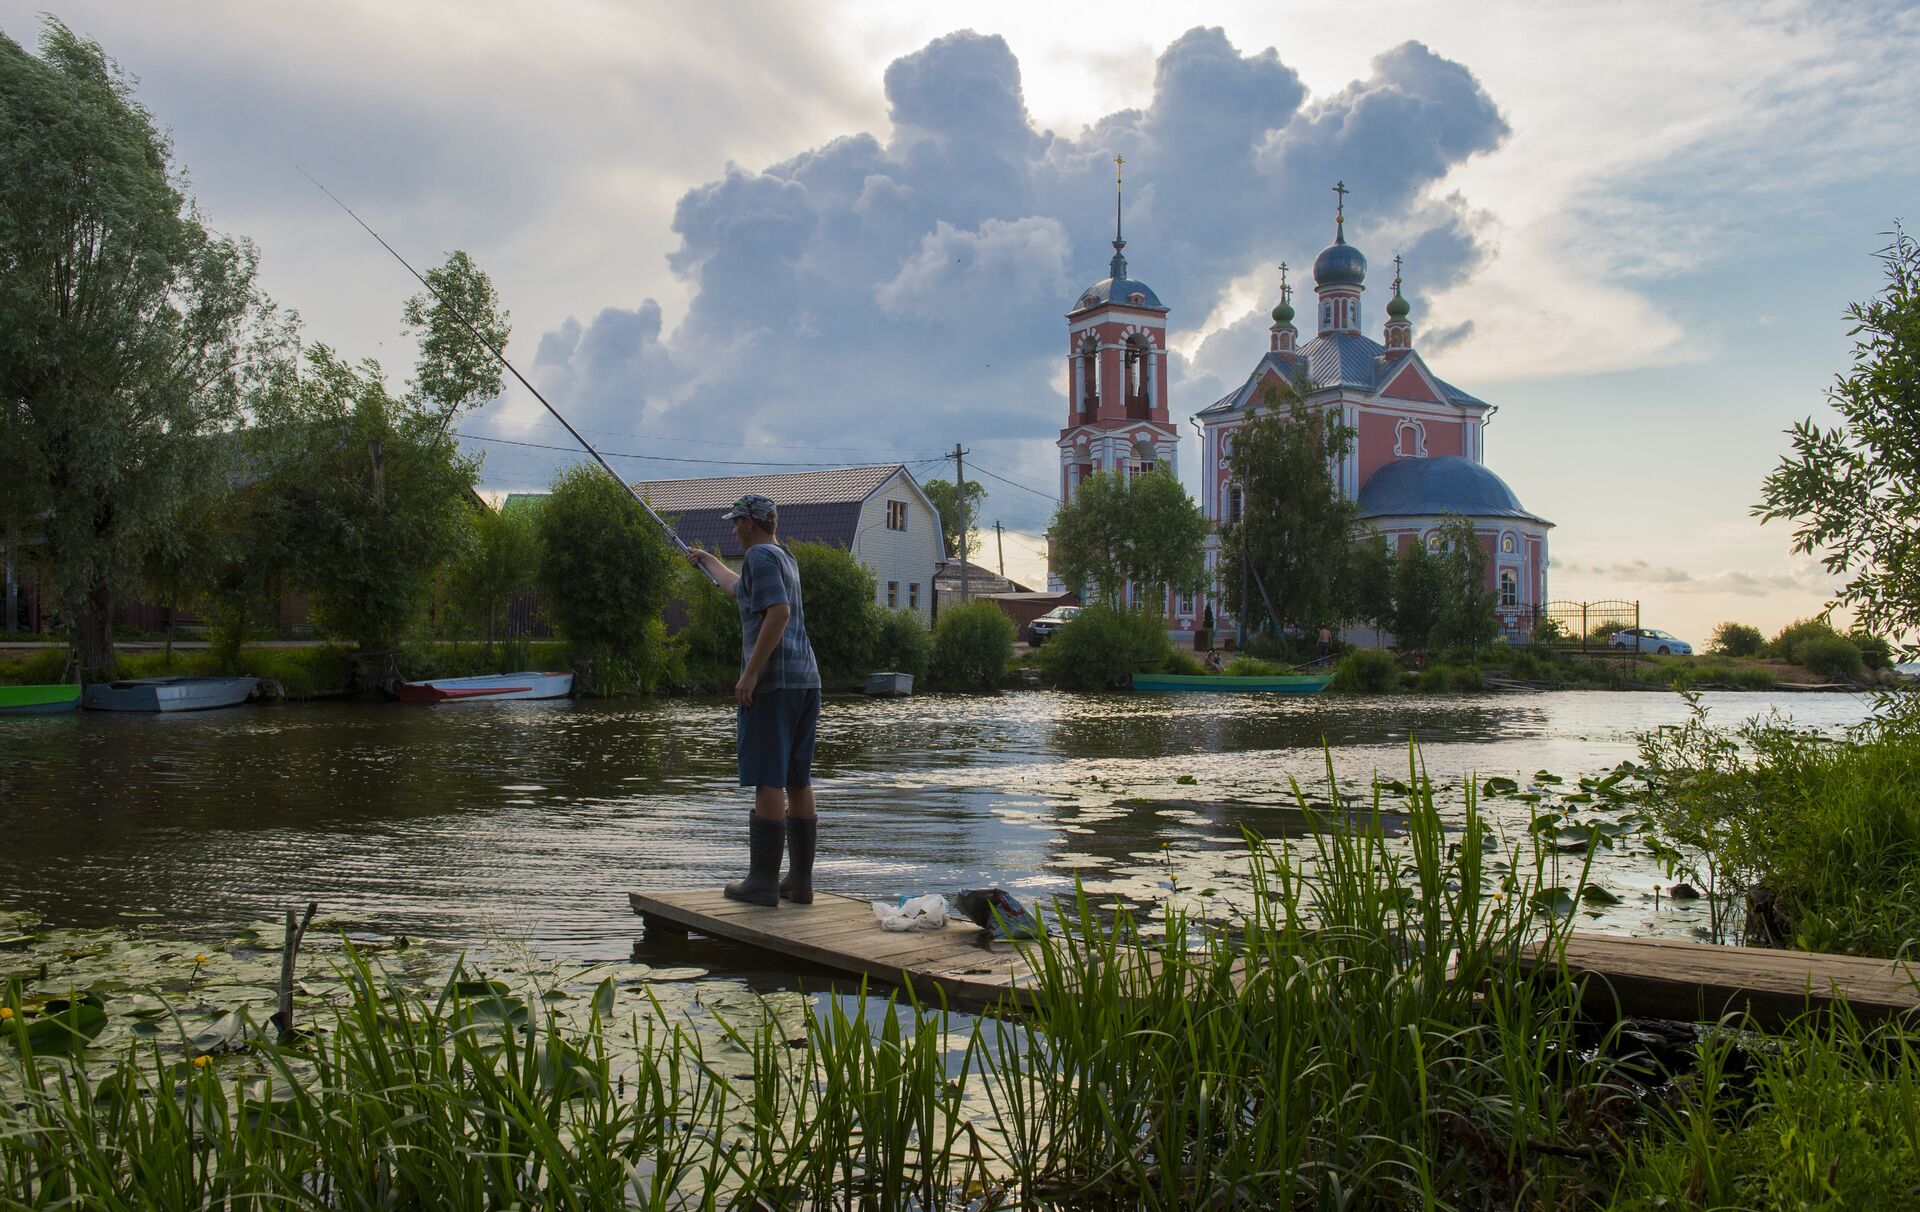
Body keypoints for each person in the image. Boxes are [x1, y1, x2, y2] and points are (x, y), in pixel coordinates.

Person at [686, 493, 821, 907]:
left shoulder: (760, 558)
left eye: (735, 522)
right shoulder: (782, 557)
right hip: (805, 682)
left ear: (750, 522)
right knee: (798, 779)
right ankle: (798, 884)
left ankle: (762, 883)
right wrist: (707, 561)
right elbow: (738, 588)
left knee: (768, 778)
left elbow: (776, 612)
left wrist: (750, 672)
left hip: (774, 686)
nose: (732, 529)